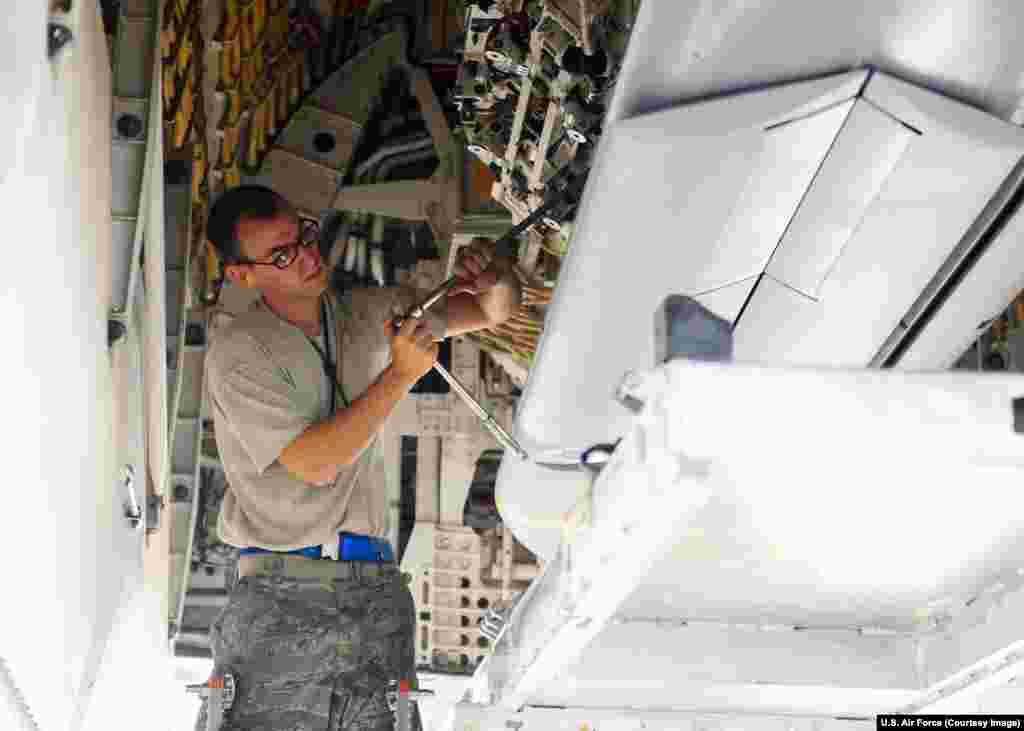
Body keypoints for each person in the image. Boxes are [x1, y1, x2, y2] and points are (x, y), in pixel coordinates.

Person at [194, 185, 522, 730]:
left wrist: (494, 278)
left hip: (371, 587)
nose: (305, 255)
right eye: (281, 255)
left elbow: (490, 313)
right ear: (241, 275)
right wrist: (399, 375)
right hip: (282, 596)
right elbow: (319, 462)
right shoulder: (239, 354)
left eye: (302, 236)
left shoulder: (367, 315)